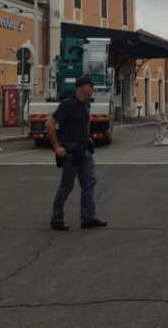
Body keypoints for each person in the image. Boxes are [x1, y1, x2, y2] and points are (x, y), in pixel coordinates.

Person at [46, 76, 107, 231]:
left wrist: (88, 138)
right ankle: (56, 218)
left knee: (89, 183)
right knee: (66, 186)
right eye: (90, 85)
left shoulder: (85, 104)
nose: (93, 88)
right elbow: (50, 123)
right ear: (81, 87)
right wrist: (56, 147)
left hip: (84, 151)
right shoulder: (68, 104)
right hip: (71, 152)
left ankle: (88, 218)